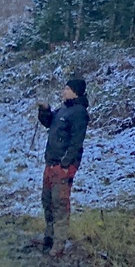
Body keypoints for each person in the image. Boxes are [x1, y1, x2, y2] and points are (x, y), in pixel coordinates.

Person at [37, 77, 90, 257]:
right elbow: (49, 122)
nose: (63, 91)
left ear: (75, 91)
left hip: (62, 166)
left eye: (66, 88)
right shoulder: (63, 110)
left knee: (60, 204)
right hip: (50, 163)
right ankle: (49, 237)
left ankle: (58, 245)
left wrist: (66, 163)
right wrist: (44, 111)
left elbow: (77, 141)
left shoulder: (79, 112)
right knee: (47, 201)